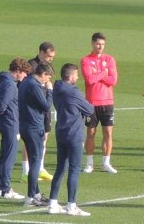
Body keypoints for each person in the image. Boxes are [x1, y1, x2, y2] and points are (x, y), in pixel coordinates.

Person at [48, 63, 96, 217]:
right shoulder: (73, 92)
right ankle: (71, 206)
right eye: (76, 75)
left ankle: (52, 203)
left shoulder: (57, 88)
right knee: (74, 170)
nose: (77, 77)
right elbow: (89, 109)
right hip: (74, 134)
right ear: (70, 77)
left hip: (61, 132)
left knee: (60, 168)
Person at [0, 57, 32, 200]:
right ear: (18, 71)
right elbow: (1, 105)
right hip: (10, 124)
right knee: (9, 157)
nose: (25, 76)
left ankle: (1, 188)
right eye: (24, 73)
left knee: (4, 156)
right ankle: (6, 189)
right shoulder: (10, 85)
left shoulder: (3, 82)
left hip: (5, 123)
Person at [81, 31, 118, 174]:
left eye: (102, 44)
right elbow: (89, 79)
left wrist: (97, 74)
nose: (100, 47)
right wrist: (104, 73)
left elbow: (113, 80)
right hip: (91, 102)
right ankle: (89, 163)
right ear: (92, 43)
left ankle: (106, 163)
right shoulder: (86, 60)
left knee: (108, 132)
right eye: (97, 44)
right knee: (90, 132)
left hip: (107, 101)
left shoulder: (110, 59)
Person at [19, 61, 53, 207]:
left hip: (26, 126)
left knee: (34, 161)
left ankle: (36, 194)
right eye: (48, 77)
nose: (48, 81)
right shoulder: (34, 85)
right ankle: (30, 197)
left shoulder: (26, 82)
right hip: (33, 127)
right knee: (36, 162)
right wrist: (49, 91)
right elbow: (45, 106)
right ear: (43, 74)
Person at [24, 42, 56, 182]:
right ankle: (26, 170)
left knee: (44, 137)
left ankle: (40, 168)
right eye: (49, 56)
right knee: (29, 141)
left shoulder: (48, 66)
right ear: (41, 52)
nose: (51, 59)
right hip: (34, 108)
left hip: (45, 107)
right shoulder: (31, 65)